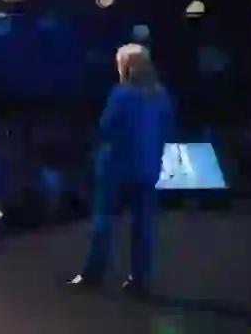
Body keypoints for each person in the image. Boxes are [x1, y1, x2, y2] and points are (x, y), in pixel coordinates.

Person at [70, 43, 175, 295]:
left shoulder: (121, 94)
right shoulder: (161, 95)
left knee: (104, 220)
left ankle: (93, 273)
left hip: (117, 166)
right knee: (144, 225)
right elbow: (168, 131)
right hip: (148, 167)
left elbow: (106, 128)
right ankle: (139, 279)